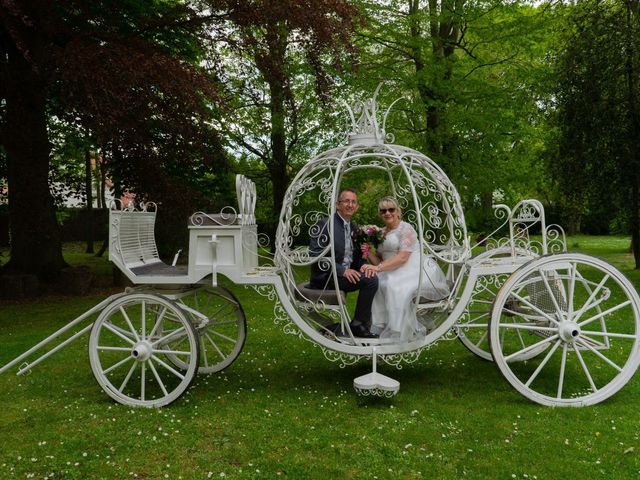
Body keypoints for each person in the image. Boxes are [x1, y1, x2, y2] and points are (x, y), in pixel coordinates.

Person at [360, 196, 450, 340]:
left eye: (391, 209)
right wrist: (368, 252)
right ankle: (380, 325)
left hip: (409, 268)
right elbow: (379, 261)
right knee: (375, 282)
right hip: (390, 268)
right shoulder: (382, 232)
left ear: (398, 211)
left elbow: (403, 257)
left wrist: (379, 268)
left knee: (393, 285)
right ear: (380, 213)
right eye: (383, 211)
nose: (387, 213)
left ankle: (397, 329)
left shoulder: (406, 229)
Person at [309, 188, 379, 338]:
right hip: (326, 277)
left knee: (370, 276)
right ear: (337, 205)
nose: (350, 204)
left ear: (357, 206)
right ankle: (358, 325)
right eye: (346, 201)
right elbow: (315, 256)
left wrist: (365, 266)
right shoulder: (325, 224)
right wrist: (342, 270)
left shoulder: (354, 228)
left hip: (344, 277)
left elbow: (358, 259)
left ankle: (358, 324)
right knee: (371, 281)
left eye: (353, 202)